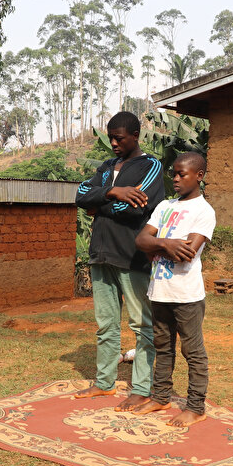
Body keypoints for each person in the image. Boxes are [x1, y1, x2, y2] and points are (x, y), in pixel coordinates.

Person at [74, 112, 165, 411]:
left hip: (132, 257)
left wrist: (100, 209)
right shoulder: (106, 167)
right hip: (100, 255)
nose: (113, 143)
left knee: (142, 325)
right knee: (106, 324)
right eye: (110, 137)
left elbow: (137, 209)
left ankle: (141, 388)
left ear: (136, 135)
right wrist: (112, 191)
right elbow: (80, 194)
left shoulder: (151, 165)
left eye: (119, 138)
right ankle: (104, 383)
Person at [134, 152, 215, 427]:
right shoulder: (164, 206)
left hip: (186, 294)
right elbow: (141, 240)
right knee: (163, 347)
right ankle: (161, 397)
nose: (176, 179)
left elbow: (187, 253)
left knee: (192, 351)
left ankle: (196, 406)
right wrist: (167, 244)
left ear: (199, 176)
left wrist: (157, 244)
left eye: (182, 174)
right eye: (174, 174)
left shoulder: (204, 211)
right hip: (159, 290)